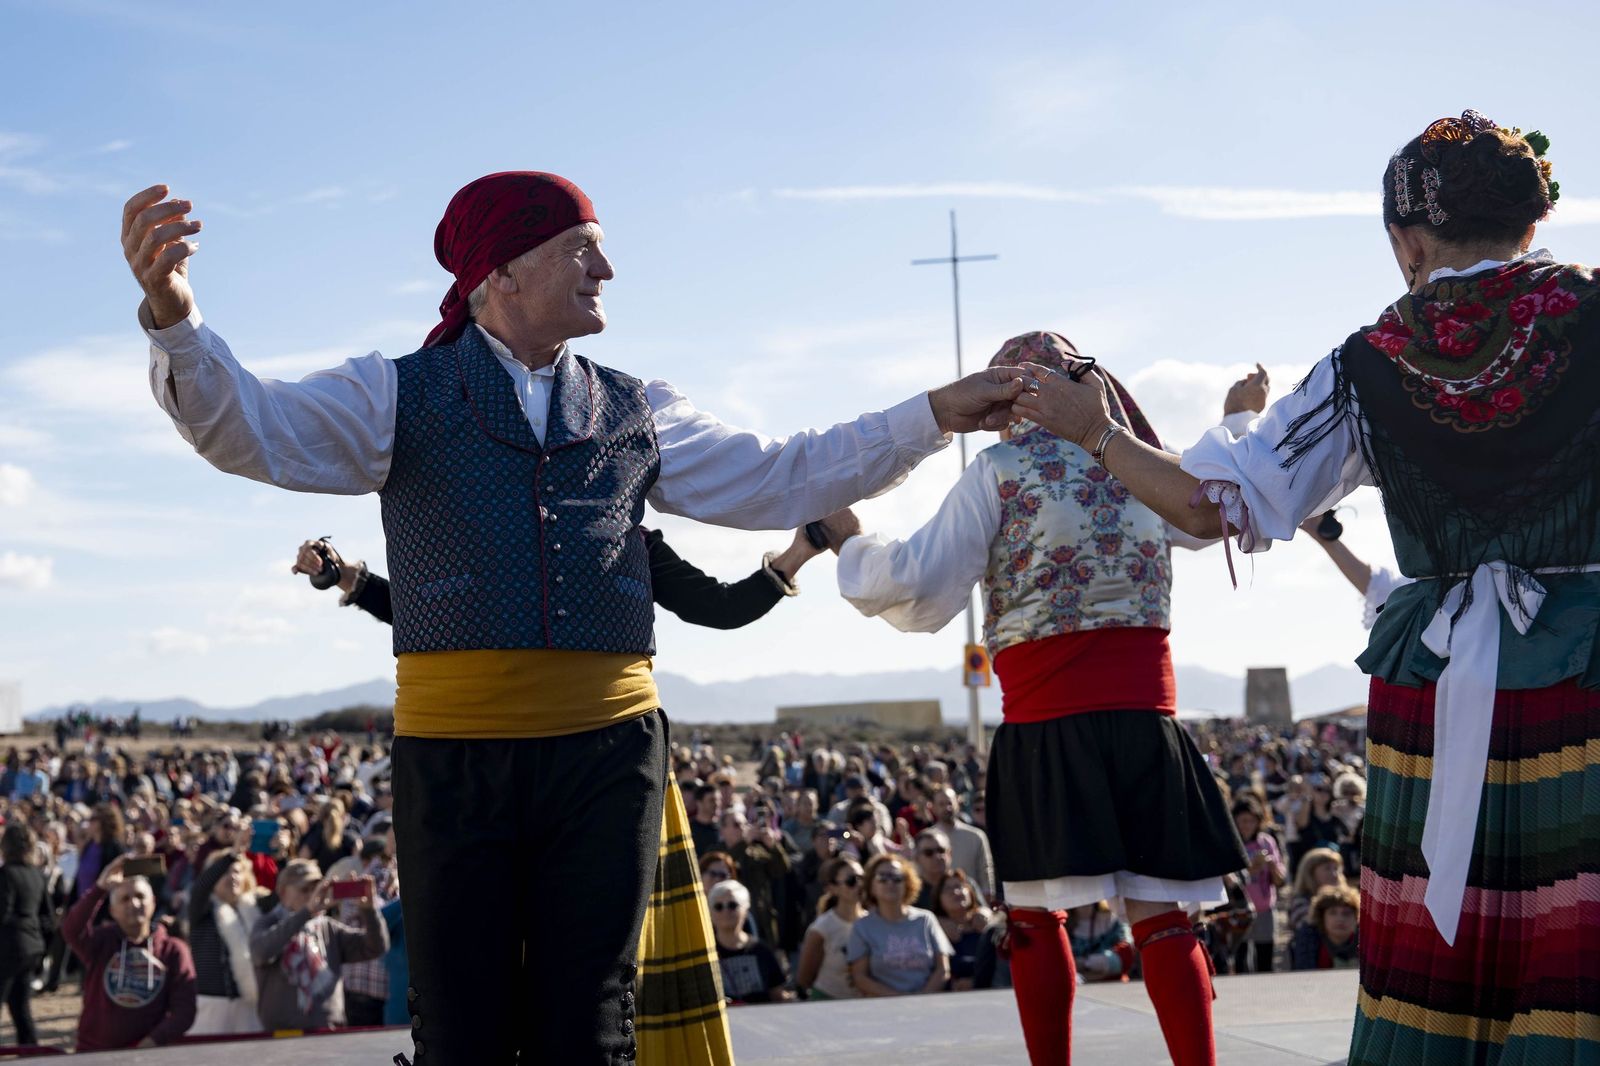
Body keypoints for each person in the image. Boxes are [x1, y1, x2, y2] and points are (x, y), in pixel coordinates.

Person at [125, 170, 1024, 1064]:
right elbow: (248, 427)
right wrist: (176, 318)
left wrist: (934, 413)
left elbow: (783, 474)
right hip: (454, 760)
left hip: (608, 759)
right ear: (503, 272)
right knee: (463, 1033)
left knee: (590, 1029)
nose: (608, 268)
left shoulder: (638, 406)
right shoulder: (396, 393)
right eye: (580, 248)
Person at [1010, 110, 1596, 1066]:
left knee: (1446, 961)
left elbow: (1207, 507)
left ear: (1406, 244)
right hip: (1589, 669)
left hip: (1443, 680)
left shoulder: (1369, 363)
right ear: (1531, 224)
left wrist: (1095, 431)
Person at [828, 330, 1258, 1066]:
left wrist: (851, 546)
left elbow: (916, 584)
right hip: (1144, 722)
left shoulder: (998, 471)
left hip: (1046, 725)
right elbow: (1217, 495)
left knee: (1033, 920)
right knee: (1164, 921)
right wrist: (1239, 419)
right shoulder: (1144, 468)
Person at [63, 854, 197, 1051]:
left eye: (140, 897)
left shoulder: (174, 950)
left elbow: (184, 1011)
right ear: (112, 910)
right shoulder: (101, 942)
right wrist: (100, 888)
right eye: (124, 899)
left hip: (147, 1053)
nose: (133, 904)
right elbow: (71, 930)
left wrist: (153, 1041)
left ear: (153, 902)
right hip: (94, 1052)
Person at [249, 858, 389, 1032]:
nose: (312, 895)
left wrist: (369, 909)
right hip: (282, 1033)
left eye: (315, 889)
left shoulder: (327, 927)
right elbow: (260, 953)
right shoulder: (268, 922)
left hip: (327, 1030)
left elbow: (376, 947)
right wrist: (306, 913)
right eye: (304, 889)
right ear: (283, 892)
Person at [846, 853, 951, 998]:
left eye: (897, 878)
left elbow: (942, 969)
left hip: (927, 1005)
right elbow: (860, 978)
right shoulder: (862, 927)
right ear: (872, 886)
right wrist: (898, 999)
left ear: (907, 884)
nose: (890, 883)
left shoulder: (926, 920)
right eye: (882, 878)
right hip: (883, 1008)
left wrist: (922, 999)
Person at [186, 849, 265, 1035]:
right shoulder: (202, 911)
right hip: (213, 1008)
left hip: (251, 1007)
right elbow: (200, 888)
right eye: (224, 872)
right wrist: (232, 854)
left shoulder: (257, 909)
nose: (232, 877)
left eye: (237, 871)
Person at [0, 825, 53, 1045]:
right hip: (31, 947)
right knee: (20, 1006)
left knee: (15, 1003)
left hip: (9, 948)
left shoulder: (5, 875)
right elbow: (48, 918)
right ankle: (30, 1051)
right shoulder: (37, 875)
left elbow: (2, 913)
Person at [707, 880, 790, 1005]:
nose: (726, 911)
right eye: (718, 906)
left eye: (732, 905)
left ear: (745, 909)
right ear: (710, 913)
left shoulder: (762, 951)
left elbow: (777, 994)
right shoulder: (704, 954)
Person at [794, 856, 864, 1000]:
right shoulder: (822, 928)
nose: (859, 885)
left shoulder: (872, 922)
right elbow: (804, 979)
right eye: (851, 881)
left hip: (865, 1004)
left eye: (862, 878)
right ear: (832, 888)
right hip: (828, 1003)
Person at [1231, 796, 1286, 974]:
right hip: (1239, 909)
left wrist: (1271, 867)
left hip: (1264, 907)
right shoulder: (1230, 843)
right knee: (1241, 959)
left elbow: (1280, 879)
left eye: (1252, 821)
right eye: (1243, 821)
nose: (1247, 825)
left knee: (1265, 958)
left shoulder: (1267, 842)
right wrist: (1251, 870)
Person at [931, 786, 995, 901]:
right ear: (933, 807)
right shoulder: (927, 839)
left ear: (958, 804)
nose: (947, 807)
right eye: (941, 804)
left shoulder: (976, 836)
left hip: (972, 902)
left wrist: (987, 899)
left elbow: (985, 870)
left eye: (950, 803)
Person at [933, 870, 992, 991]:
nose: (955, 892)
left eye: (959, 886)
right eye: (947, 889)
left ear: (970, 893)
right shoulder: (934, 929)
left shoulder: (987, 926)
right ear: (939, 899)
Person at [1289, 884, 1360, 971]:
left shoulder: (1366, 941)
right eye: (1333, 912)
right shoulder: (1308, 938)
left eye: (1346, 913)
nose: (1340, 919)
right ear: (1322, 917)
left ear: (1356, 917)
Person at [1066, 901, 1135, 984]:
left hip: (1113, 985)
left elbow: (1125, 958)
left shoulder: (1113, 920)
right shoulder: (1061, 923)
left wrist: (1085, 963)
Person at [1287, 847, 1346, 935]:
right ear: (1310, 873)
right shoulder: (1301, 902)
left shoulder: (1344, 899)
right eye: (1327, 868)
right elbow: (1308, 930)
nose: (1335, 874)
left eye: (1336, 868)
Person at [911, 827, 952, 911]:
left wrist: (984, 913)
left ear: (950, 853)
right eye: (928, 853)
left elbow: (982, 908)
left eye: (941, 850)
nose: (937, 856)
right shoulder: (911, 891)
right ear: (917, 858)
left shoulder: (964, 884)